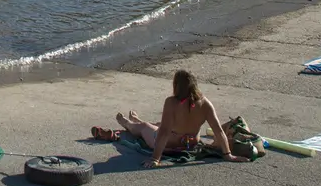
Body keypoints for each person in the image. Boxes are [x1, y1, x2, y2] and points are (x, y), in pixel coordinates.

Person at [92, 70, 246, 166]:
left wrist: (155, 159)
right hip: (191, 144)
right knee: (161, 124)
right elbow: (218, 131)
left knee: (145, 127)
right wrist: (228, 155)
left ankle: (129, 123)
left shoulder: (172, 102)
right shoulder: (205, 103)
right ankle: (136, 121)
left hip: (170, 145)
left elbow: (164, 132)